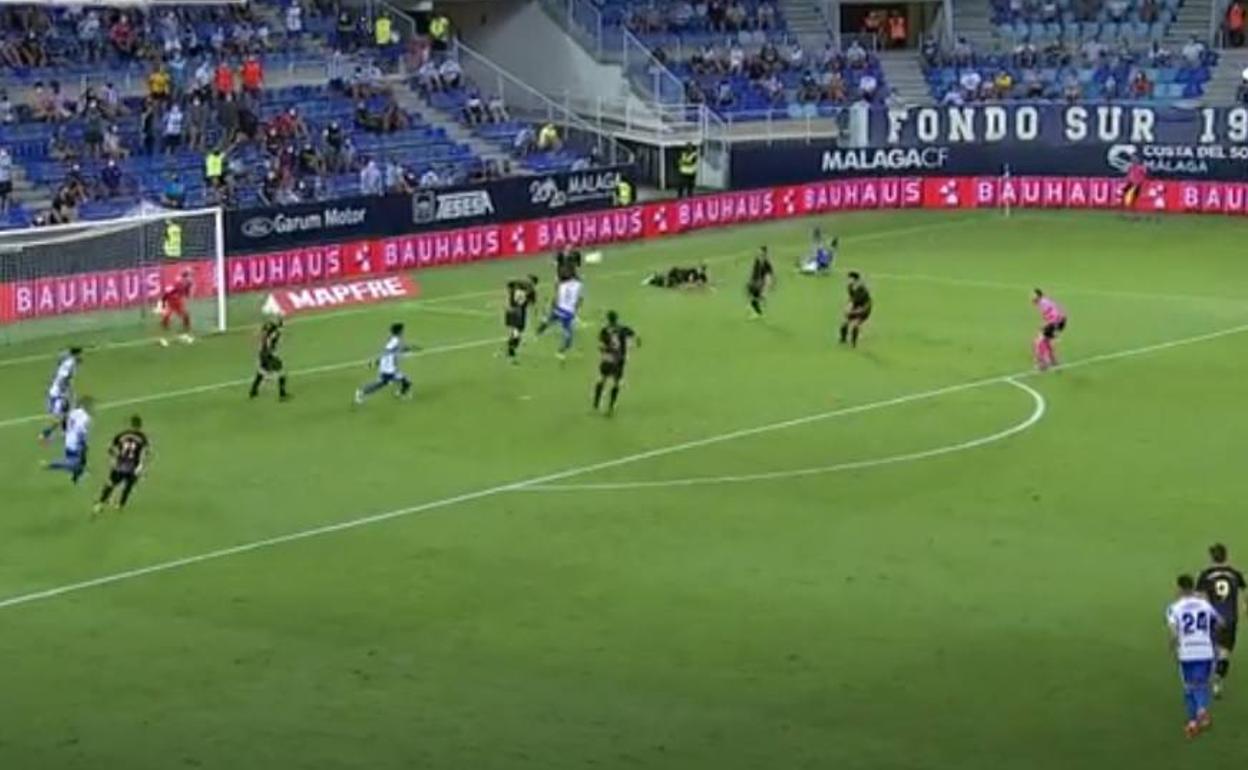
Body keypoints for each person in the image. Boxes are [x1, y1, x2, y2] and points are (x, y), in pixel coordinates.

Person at [1166, 574, 1220, 738]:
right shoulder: (1205, 604)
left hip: (1187, 652)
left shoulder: (1174, 608)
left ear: (1179, 588)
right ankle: (1198, 715)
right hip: (1205, 650)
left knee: (1189, 687)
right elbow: (1219, 623)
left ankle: (1195, 719)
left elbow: (1174, 632)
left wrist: (1172, 646)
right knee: (1201, 684)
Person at [1198, 543, 1246, 698]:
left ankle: (1205, 675)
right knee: (1224, 653)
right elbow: (1244, 592)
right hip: (1230, 618)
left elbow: (1201, 598)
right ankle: (1218, 680)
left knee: (1211, 648)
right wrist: (1245, 607)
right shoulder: (1235, 574)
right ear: (1226, 555)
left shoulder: (1205, 575)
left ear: (1211, 557)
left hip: (1213, 619)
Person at [93, 415, 151, 514]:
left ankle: (100, 505)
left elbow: (110, 448)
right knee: (128, 487)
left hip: (120, 464)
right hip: (133, 466)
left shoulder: (122, 434)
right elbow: (147, 452)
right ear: (140, 426)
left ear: (131, 424)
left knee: (111, 484)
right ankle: (120, 505)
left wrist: (114, 458)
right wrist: (141, 465)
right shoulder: (142, 437)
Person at [354, 323, 417, 403]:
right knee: (381, 384)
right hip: (389, 368)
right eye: (402, 330)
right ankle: (361, 392)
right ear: (399, 331)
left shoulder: (393, 339)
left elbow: (396, 349)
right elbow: (392, 351)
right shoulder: (396, 341)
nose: (403, 332)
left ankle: (401, 393)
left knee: (405, 381)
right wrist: (408, 349)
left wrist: (408, 349)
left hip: (388, 367)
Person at [593, 311, 640, 415]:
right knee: (616, 382)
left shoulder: (605, 330)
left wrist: (603, 351)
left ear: (608, 319)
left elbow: (601, 346)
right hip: (619, 359)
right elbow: (635, 335)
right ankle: (611, 406)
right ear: (616, 319)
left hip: (608, 358)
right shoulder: (622, 328)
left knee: (602, 379)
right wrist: (637, 342)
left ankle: (596, 405)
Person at [46, 396, 93, 484]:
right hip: (76, 441)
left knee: (75, 460)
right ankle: (53, 465)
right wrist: (83, 442)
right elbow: (81, 430)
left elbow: (65, 422)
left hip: (68, 441)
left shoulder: (72, 413)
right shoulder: (85, 417)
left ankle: (75, 476)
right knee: (79, 460)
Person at [535, 272, 583, 359]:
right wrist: (576, 311)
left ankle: (537, 333)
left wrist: (553, 306)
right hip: (567, 312)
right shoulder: (577, 286)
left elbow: (556, 295)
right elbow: (579, 300)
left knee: (548, 321)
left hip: (559, 309)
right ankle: (560, 352)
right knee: (568, 335)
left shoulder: (563, 285)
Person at [40, 347, 82, 443]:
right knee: (59, 417)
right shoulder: (70, 364)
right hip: (58, 395)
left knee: (66, 412)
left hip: (58, 393)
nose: (81, 357)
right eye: (80, 355)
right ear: (76, 355)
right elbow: (63, 379)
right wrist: (67, 392)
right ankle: (45, 434)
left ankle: (64, 432)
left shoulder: (69, 362)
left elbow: (60, 365)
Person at [249, 316, 290, 401]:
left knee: (262, 371)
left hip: (262, 353)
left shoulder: (268, 330)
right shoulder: (275, 333)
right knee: (281, 372)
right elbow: (270, 343)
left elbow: (263, 336)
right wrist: (271, 353)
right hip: (268, 355)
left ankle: (253, 391)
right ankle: (282, 394)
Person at [501, 275, 540, 362]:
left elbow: (508, 283)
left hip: (511, 309)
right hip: (519, 311)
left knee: (515, 331)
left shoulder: (517, 283)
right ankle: (510, 350)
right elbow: (533, 304)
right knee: (517, 332)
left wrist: (509, 296)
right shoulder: (532, 291)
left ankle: (510, 348)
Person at [1032, 288, 1066, 370]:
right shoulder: (1041, 302)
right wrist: (1045, 324)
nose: (1031, 297)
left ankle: (1043, 364)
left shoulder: (1043, 303)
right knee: (1046, 341)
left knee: (1039, 342)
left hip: (1056, 322)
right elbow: (1049, 314)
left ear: (1038, 296)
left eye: (1033, 295)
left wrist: (1053, 327)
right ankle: (1053, 361)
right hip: (1057, 321)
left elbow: (1055, 314)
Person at [158, 269, 194, 345]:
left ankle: (187, 328)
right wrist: (163, 302)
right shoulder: (177, 282)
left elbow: (186, 291)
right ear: (185, 276)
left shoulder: (187, 282)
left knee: (185, 315)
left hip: (178, 301)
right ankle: (164, 328)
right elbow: (168, 292)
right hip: (171, 301)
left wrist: (187, 292)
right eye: (189, 275)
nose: (190, 277)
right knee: (167, 316)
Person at [839, 272, 872, 347]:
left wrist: (850, 309)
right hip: (856, 306)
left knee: (855, 324)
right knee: (844, 323)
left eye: (849, 279)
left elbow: (857, 301)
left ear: (854, 279)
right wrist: (848, 306)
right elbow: (851, 298)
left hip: (864, 308)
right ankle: (843, 339)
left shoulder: (861, 289)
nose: (847, 280)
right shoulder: (850, 287)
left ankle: (854, 343)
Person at [746, 246, 774, 318]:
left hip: (760, 282)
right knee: (752, 296)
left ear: (764, 252)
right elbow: (754, 270)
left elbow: (769, 274)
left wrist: (767, 284)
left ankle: (757, 312)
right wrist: (750, 279)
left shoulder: (766, 262)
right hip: (754, 281)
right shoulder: (757, 260)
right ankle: (759, 309)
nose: (759, 252)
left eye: (760, 251)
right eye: (758, 251)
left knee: (754, 298)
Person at [644, 264, 708, 288]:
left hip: (679, 277)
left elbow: (703, 283)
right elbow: (690, 279)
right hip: (678, 274)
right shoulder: (693, 271)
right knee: (667, 281)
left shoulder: (703, 276)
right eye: (699, 269)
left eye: (701, 270)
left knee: (668, 283)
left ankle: (653, 279)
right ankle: (653, 279)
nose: (700, 270)